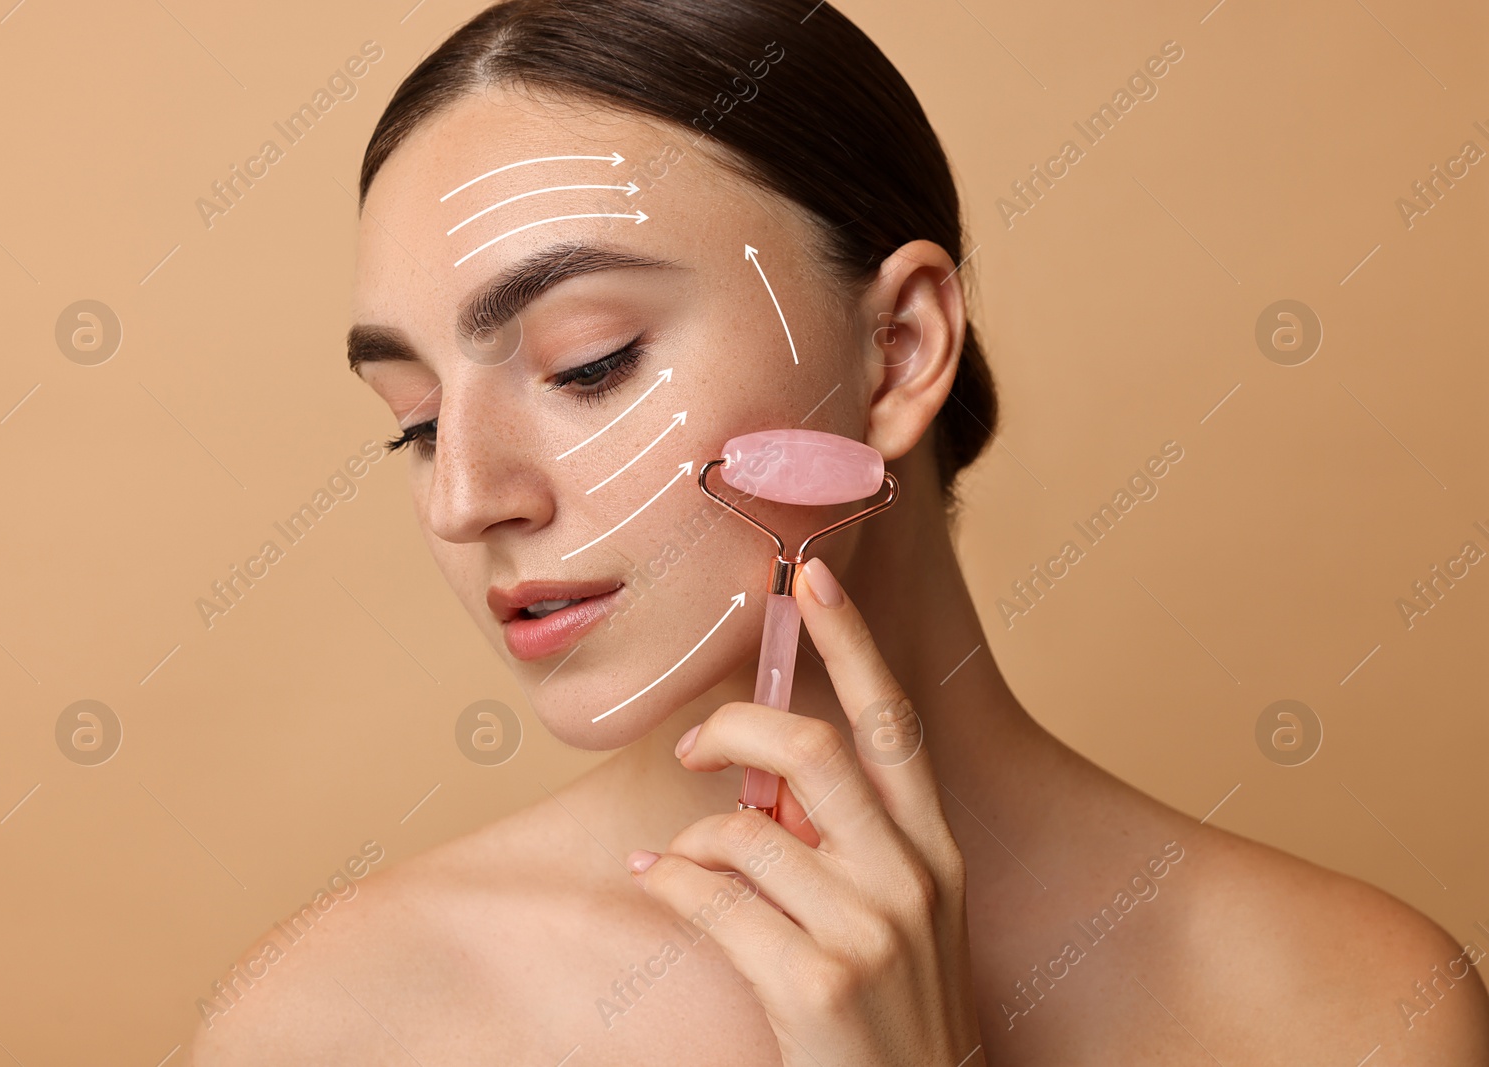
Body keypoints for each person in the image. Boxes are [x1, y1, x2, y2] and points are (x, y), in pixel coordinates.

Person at [191, 0, 1489, 1062]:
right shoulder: (342, 1022)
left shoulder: (1352, 1010)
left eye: (588, 363)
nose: (465, 497)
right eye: (414, 422)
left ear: (899, 348)